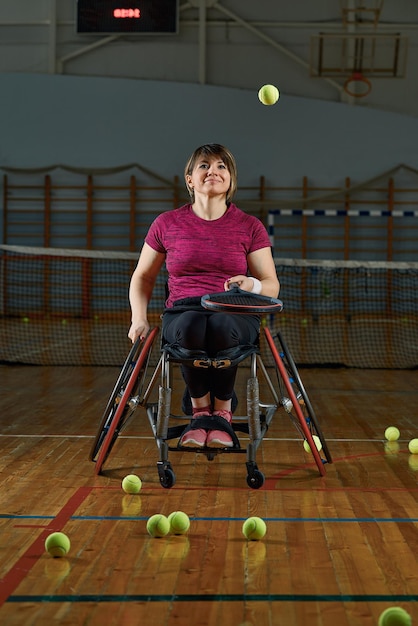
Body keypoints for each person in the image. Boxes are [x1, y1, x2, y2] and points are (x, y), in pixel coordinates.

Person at [128, 143, 280, 449]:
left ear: (231, 180)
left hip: (234, 312)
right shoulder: (166, 224)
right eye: (204, 165)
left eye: (222, 166)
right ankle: (200, 413)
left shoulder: (249, 226)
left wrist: (251, 284)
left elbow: (271, 284)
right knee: (192, 325)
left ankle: (221, 413)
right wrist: (138, 318)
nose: (214, 171)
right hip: (183, 312)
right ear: (190, 179)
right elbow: (143, 276)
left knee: (223, 326)